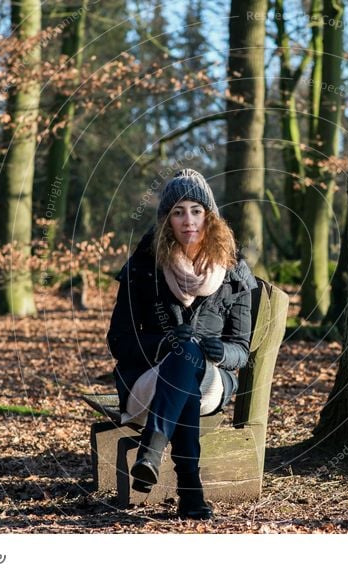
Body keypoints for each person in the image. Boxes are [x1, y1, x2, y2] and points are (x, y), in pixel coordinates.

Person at [106, 168, 257, 520]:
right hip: (149, 379)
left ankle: (151, 453)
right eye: (177, 212)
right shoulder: (144, 266)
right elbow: (120, 340)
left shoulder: (233, 271)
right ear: (166, 220)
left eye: (196, 210)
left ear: (210, 216)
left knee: (189, 362)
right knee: (183, 358)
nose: (187, 220)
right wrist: (163, 344)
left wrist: (221, 351)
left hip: (212, 381)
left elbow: (241, 350)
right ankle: (190, 488)